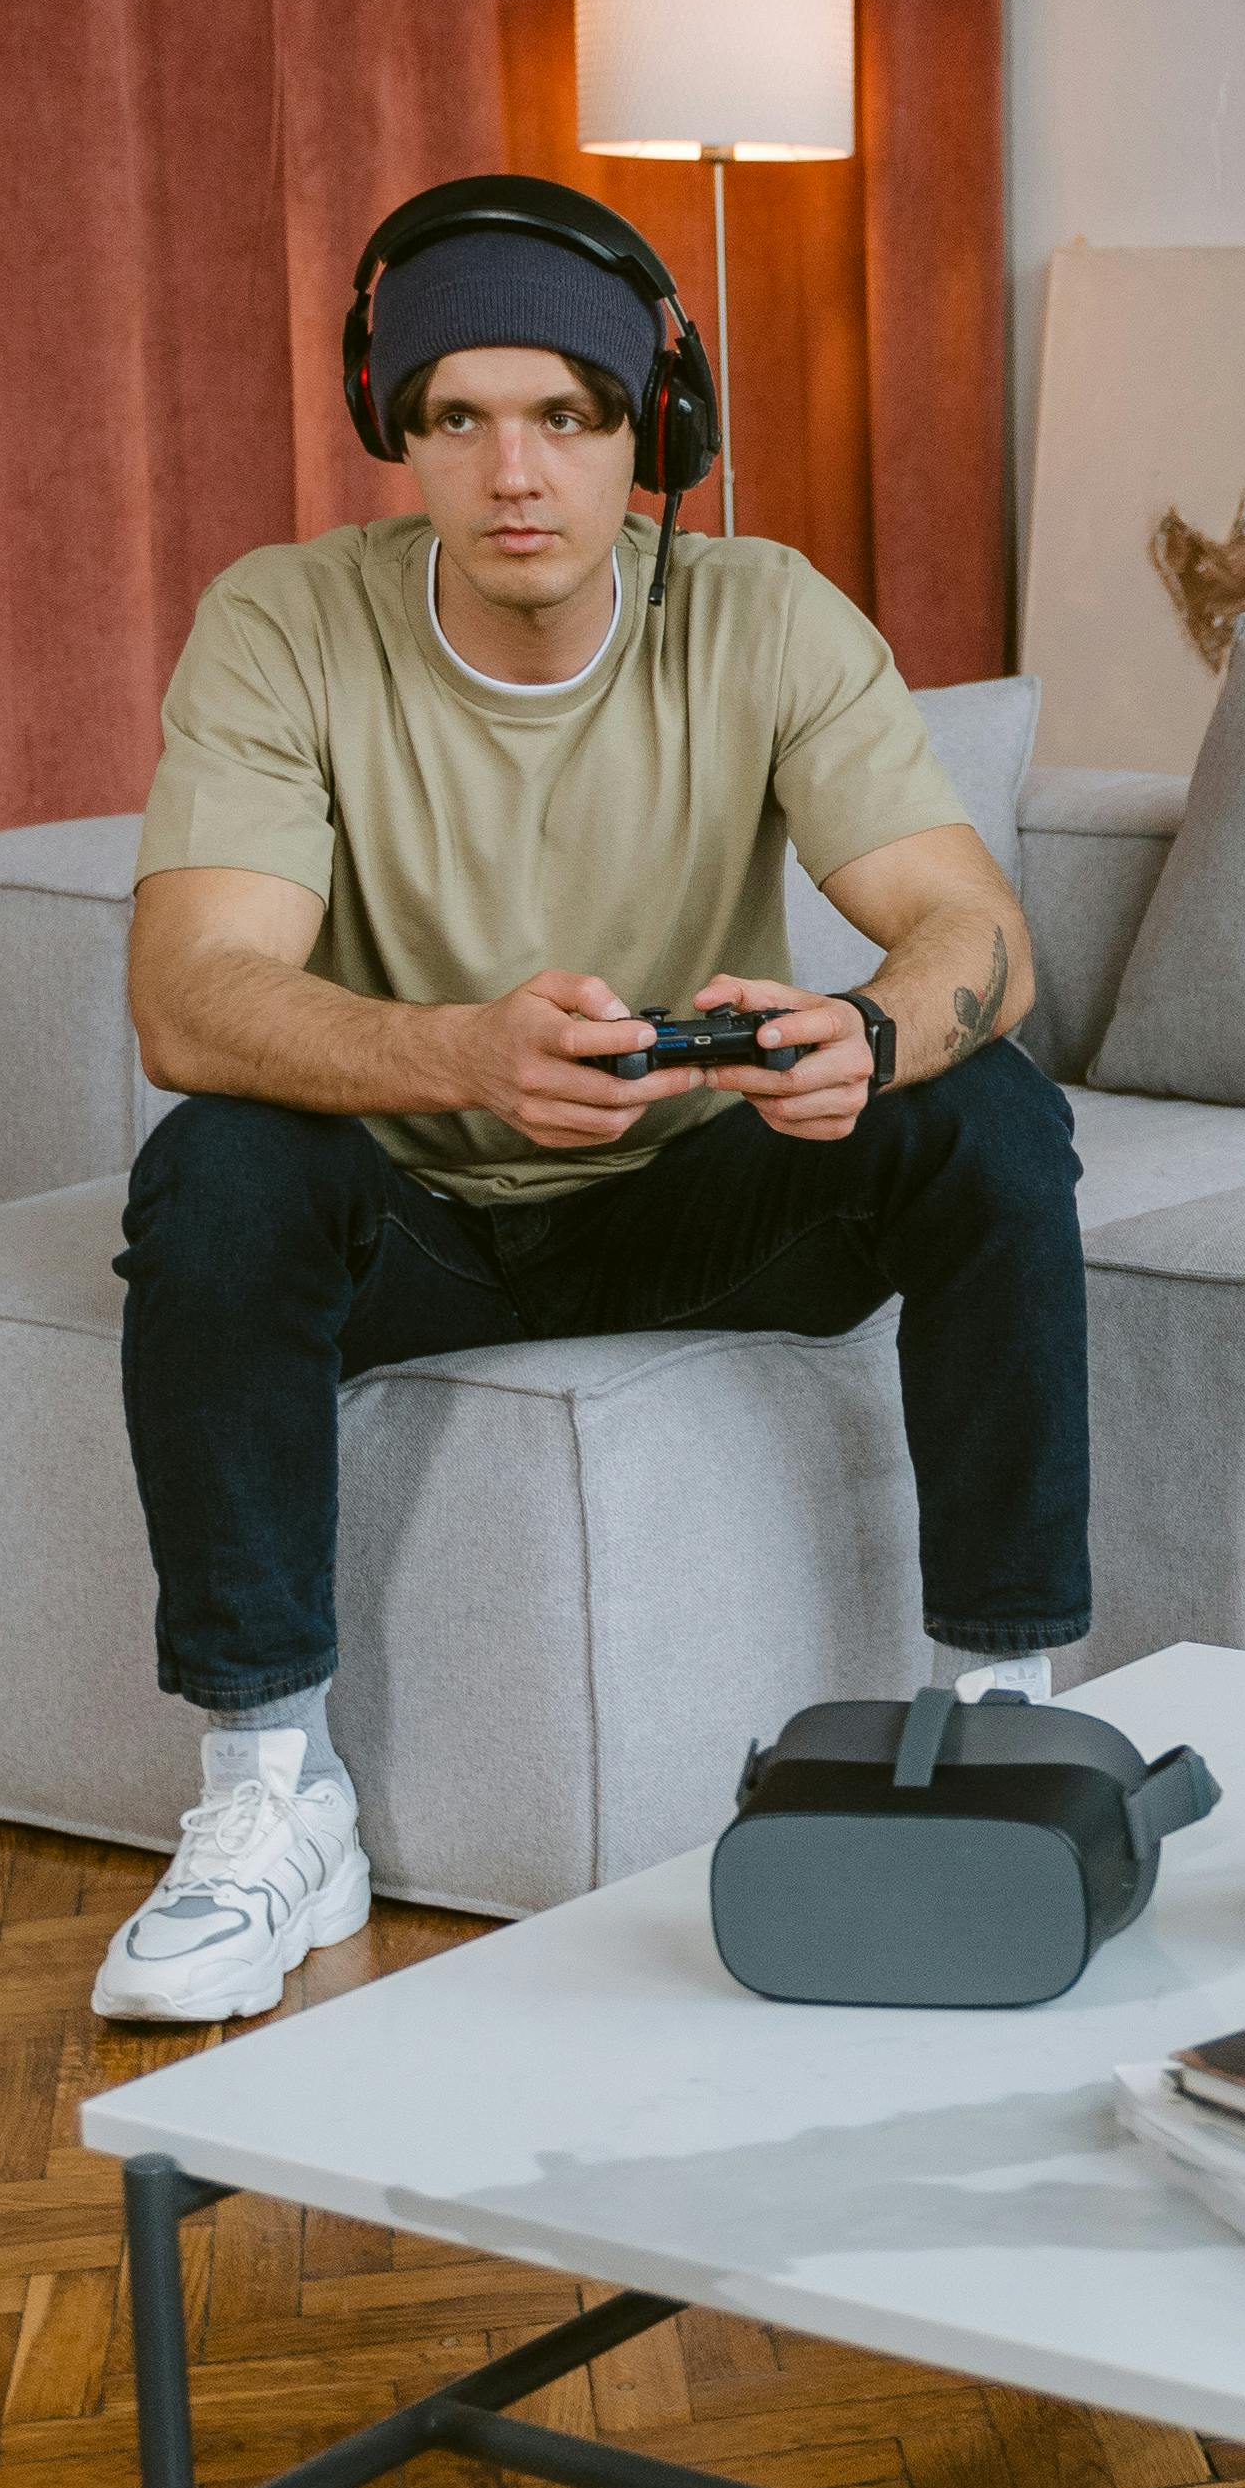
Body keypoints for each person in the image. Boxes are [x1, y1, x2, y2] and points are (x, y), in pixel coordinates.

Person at [93, 179, 1082, 2020]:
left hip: (692, 1198)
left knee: (990, 1112)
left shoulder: (760, 611)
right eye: (456, 417)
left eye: (565, 413)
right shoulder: (283, 622)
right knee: (213, 1166)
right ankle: (268, 1797)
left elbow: (977, 932)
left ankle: (1004, 1716)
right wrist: (459, 1051)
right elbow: (189, 995)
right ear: (397, 431)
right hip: (410, 1220)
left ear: (652, 430)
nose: (514, 471)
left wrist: (869, 1030)